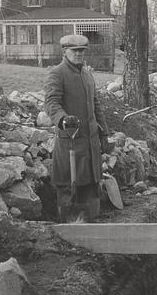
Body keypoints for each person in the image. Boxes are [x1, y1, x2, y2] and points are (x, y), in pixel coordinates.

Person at [44, 34, 110, 222]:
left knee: (91, 184)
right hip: (71, 143)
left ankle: (93, 225)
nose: (79, 54)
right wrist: (63, 119)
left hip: (90, 143)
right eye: (75, 51)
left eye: (82, 51)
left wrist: (104, 131)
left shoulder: (87, 74)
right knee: (69, 186)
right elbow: (51, 102)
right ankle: (69, 232)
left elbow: (95, 104)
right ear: (65, 52)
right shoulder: (57, 73)